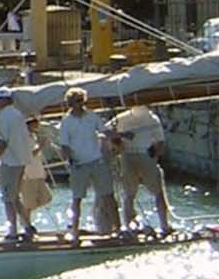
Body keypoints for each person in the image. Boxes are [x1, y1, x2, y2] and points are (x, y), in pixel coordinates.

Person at [56, 87, 116, 237]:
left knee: (108, 195)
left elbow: (104, 131)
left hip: (96, 161)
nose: (80, 104)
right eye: (77, 101)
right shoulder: (66, 122)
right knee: (77, 198)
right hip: (79, 164)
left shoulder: (92, 116)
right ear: (70, 103)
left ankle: (119, 229)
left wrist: (120, 135)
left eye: (82, 100)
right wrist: (70, 159)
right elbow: (64, 145)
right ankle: (75, 231)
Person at [107, 105, 174, 235]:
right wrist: (155, 156)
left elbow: (105, 131)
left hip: (127, 155)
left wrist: (117, 142)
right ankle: (164, 225)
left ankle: (128, 226)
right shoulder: (152, 118)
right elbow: (160, 143)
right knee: (158, 193)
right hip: (145, 154)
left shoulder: (121, 117)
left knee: (129, 195)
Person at [0, 87, 37, 242]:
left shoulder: (4, 116)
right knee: (14, 196)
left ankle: (12, 232)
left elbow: (4, 142)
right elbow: (13, 137)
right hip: (21, 160)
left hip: (10, 161)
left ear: (3, 100)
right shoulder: (17, 114)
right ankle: (27, 226)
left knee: (8, 198)